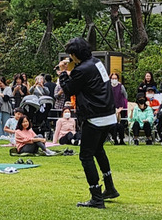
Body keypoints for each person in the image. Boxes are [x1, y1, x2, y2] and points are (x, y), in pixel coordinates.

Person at [58, 37, 118, 209]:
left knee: (85, 155)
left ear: (76, 55)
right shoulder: (97, 62)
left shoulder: (81, 70)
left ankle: (96, 197)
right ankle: (110, 188)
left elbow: (69, 89)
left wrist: (63, 73)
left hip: (95, 117)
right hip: (109, 114)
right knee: (98, 149)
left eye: (71, 55)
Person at [110, 73, 128, 145]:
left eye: (115, 78)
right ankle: (115, 139)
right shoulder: (108, 87)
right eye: (113, 78)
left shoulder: (121, 86)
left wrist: (122, 106)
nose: (114, 80)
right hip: (111, 109)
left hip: (121, 108)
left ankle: (121, 139)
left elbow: (125, 95)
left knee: (121, 125)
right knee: (113, 125)